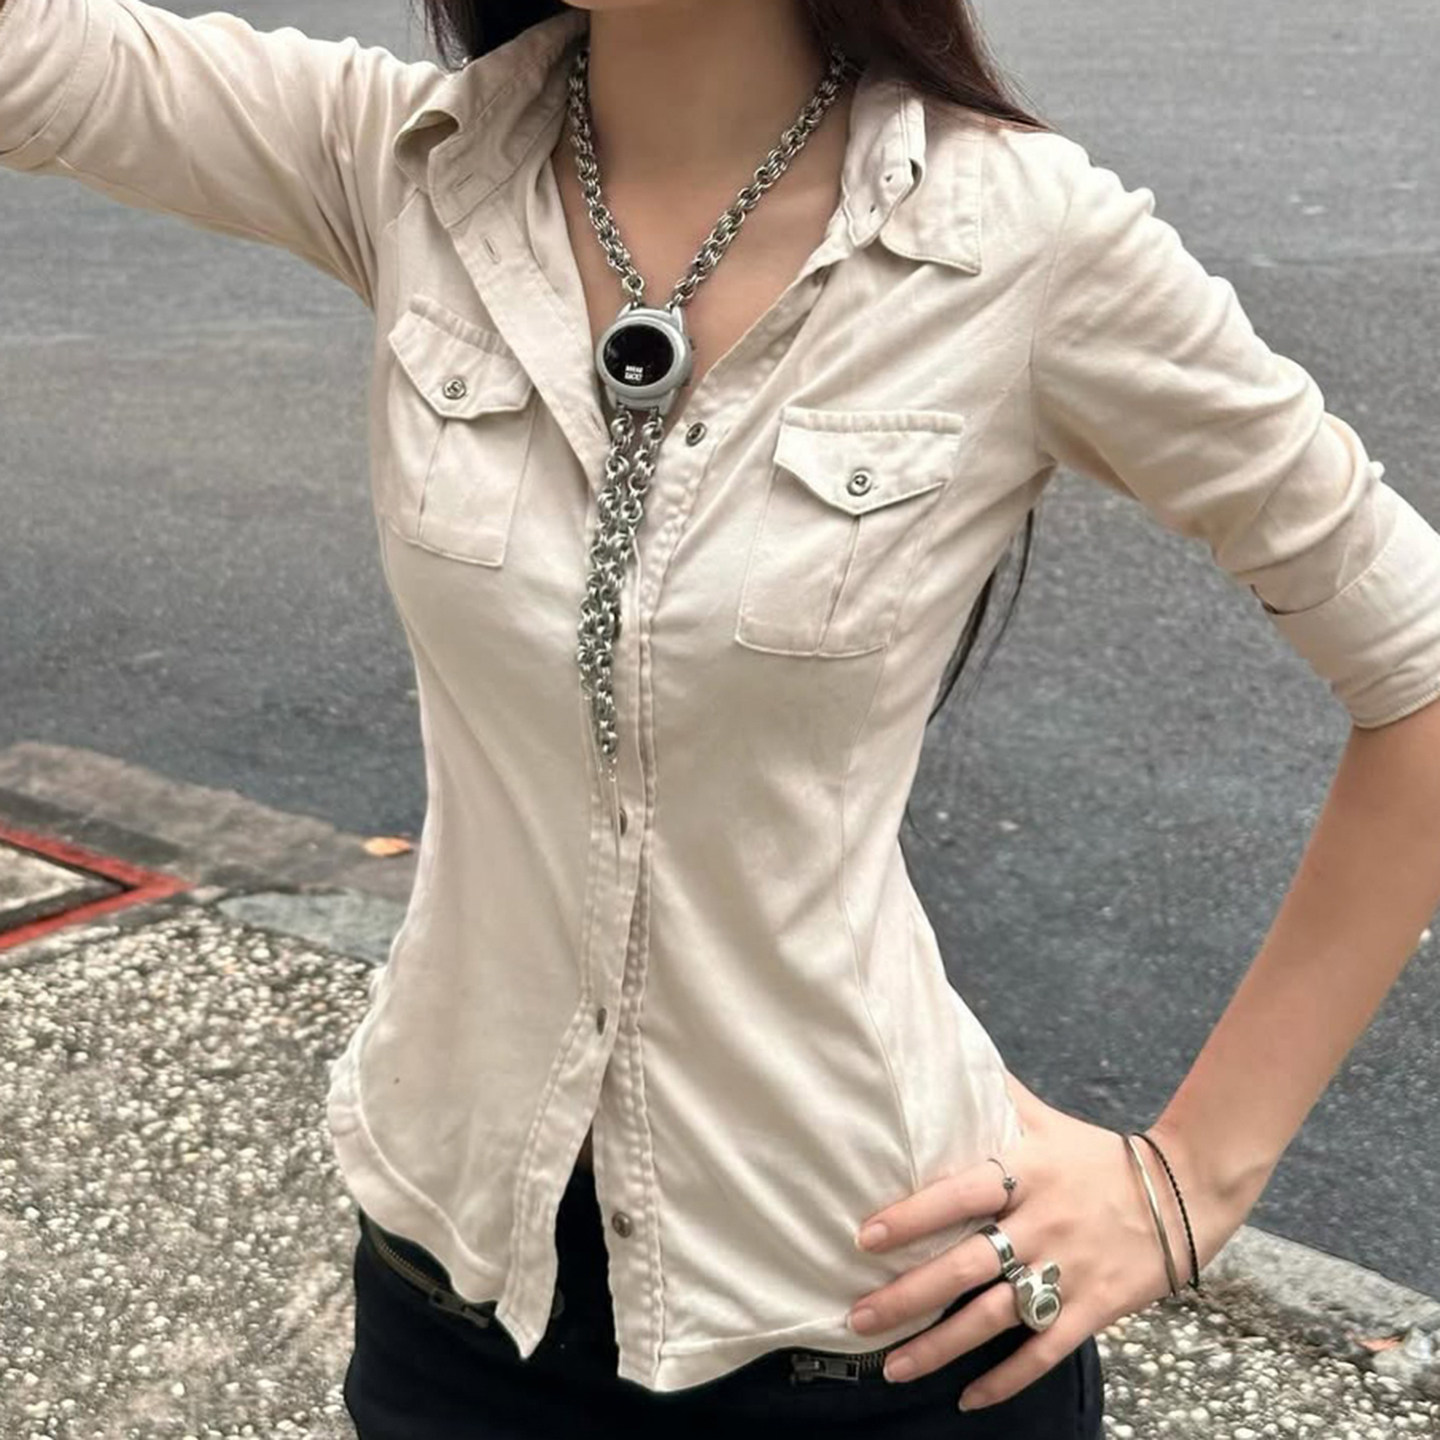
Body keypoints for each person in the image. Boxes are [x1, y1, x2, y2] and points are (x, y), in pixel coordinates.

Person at [6, 0, 1440, 1436]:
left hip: (869, 1337)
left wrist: (1191, 1181)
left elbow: (1417, 662)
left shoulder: (1016, 238)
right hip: (455, 1313)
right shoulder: (405, 163)